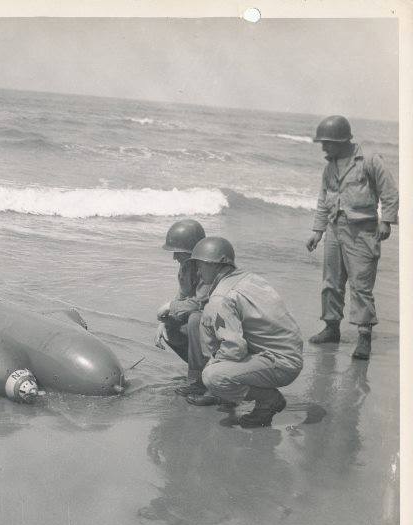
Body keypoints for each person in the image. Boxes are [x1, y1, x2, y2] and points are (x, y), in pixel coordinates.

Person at [305, 115, 398, 360]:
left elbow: (389, 192)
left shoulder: (369, 160)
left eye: (327, 142)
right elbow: (323, 200)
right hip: (335, 229)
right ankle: (331, 328)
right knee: (331, 282)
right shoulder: (329, 167)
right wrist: (318, 231)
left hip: (363, 231)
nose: (323, 147)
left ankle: (364, 337)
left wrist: (386, 221)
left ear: (342, 140)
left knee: (361, 285)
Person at [186, 237, 304, 428]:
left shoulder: (221, 296)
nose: (198, 271)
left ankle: (269, 400)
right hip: (288, 354)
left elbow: (234, 348)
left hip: (281, 363)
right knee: (202, 322)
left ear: (216, 265)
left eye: (201, 265)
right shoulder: (249, 278)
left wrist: (214, 366)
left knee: (213, 377)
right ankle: (240, 393)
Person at [153, 219, 215, 400]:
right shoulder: (186, 267)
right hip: (204, 323)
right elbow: (183, 297)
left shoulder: (208, 267)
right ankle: (204, 372)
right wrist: (165, 321)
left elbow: (202, 303)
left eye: (178, 252)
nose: (174, 257)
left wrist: (170, 307)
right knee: (170, 330)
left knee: (195, 320)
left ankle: (199, 380)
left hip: (217, 324)